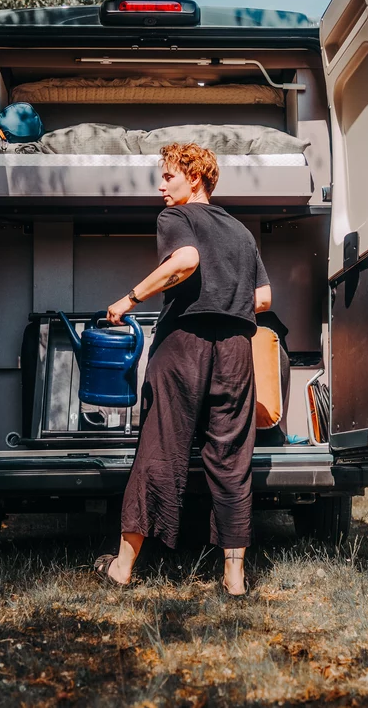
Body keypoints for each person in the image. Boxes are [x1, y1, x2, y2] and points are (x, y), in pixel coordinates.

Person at [92, 142, 272, 598]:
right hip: (235, 349)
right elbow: (264, 298)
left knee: (159, 451)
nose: (161, 185)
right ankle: (234, 579)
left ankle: (123, 568)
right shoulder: (242, 233)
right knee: (232, 460)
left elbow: (186, 261)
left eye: (168, 176)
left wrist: (128, 299)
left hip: (183, 346)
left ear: (194, 178)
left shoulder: (177, 218)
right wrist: (226, 303)